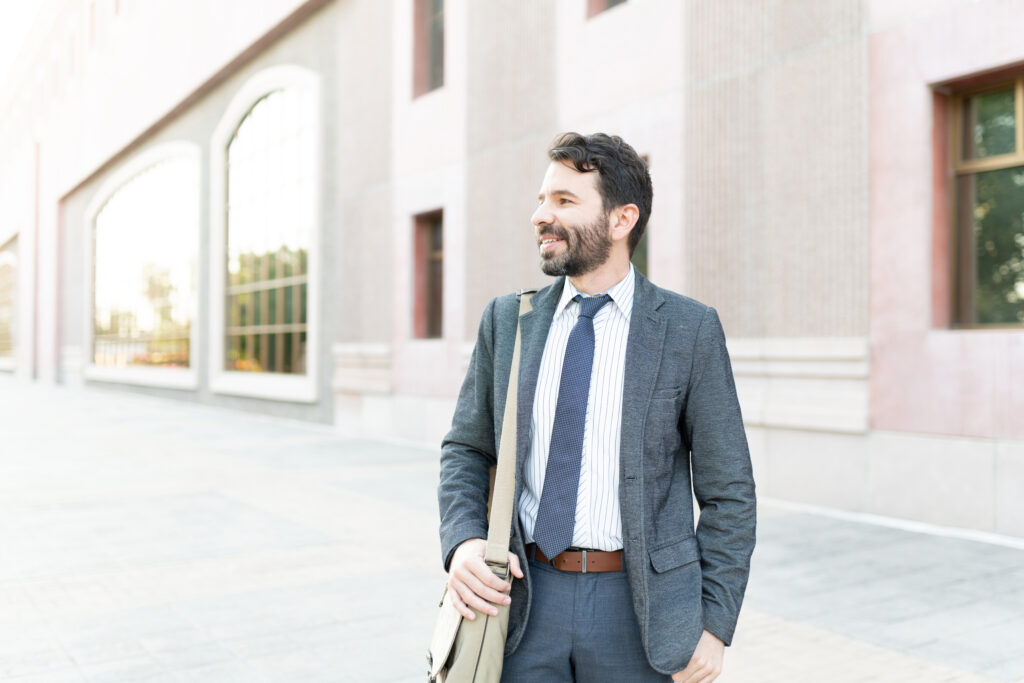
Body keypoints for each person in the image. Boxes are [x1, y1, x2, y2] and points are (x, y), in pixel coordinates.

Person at [437, 132, 756, 682]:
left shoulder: (688, 329)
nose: (541, 215)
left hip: (639, 614)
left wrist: (714, 624)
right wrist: (463, 541)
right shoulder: (508, 321)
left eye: (564, 200)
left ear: (621, 219)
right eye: (542, 199)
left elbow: (729, 492)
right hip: (521, 602)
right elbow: (466, 449)